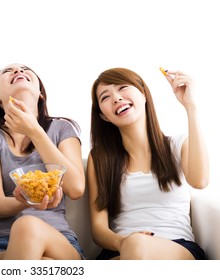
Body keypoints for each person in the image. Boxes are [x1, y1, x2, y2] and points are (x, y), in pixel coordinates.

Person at [87, 67, 209, 260]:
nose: (117, 98)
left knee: (137, 245)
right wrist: (124, 242)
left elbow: (200, 181)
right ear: (103, 116)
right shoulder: (100, 158)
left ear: (143, 93)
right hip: (120, 249)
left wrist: (190, 107)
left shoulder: (178, 145)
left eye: (123, 87)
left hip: (176, 247)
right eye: (105, 97)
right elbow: (98, 229)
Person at [0, 63, 85, 260]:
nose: (18, 71)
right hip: (0, 244)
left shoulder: (61, 129)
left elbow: (75, 188)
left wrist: (34, 131)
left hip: (59, 241)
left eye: (25, 69)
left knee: (29, 226)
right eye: (8, 71)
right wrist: (22, 201)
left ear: (40, 93)